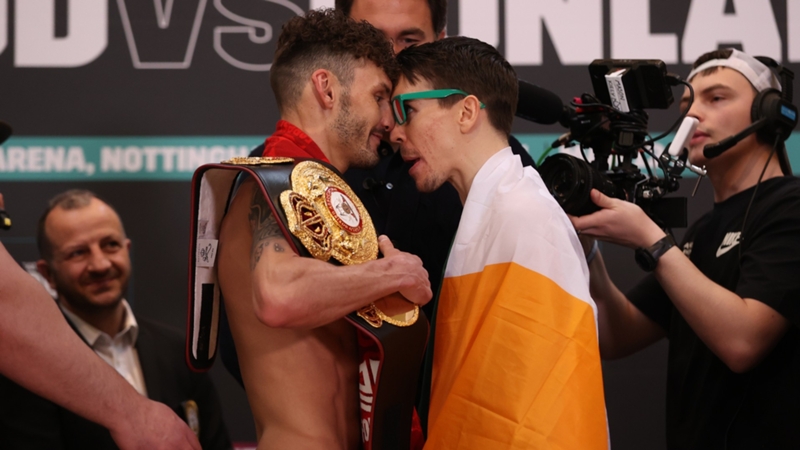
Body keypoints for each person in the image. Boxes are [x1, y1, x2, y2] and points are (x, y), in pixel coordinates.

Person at [217, 9, 431, 449]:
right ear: (327, 88)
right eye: (378, 96)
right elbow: (278, 297)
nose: (389, 122)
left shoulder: (314, 191)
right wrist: (394, 275)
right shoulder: (269, 186)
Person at [570, 48, 800, 449]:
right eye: (687, 104)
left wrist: (652, 241)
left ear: (770, 112)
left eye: (717, 98)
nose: (693, 116)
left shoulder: (792, 206)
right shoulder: (702, 231)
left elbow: (742, 342)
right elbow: (614, 334)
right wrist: (589, 251)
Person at [389, 37, 609, 449]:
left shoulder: (523, 217)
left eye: (408, 110)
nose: (395, 132)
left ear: (467, 111)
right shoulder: (495, 209)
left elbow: (541, 419)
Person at [0, 190, 231, 449]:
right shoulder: (29, 366)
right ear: (47, 273)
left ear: (127, 249)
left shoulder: (179, 350)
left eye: (110, 244)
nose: (100, 264)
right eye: (78, 253)